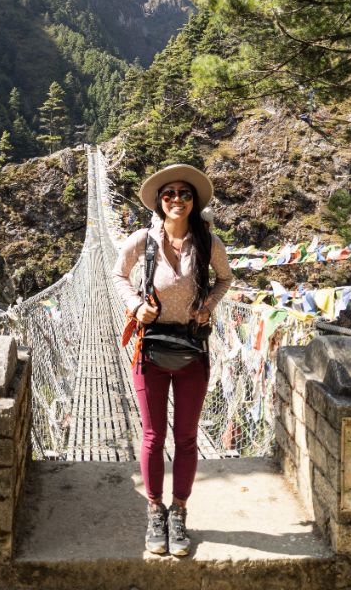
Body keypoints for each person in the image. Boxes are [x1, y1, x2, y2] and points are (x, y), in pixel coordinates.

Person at [112, 164, 232, 557]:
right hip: (150, 349)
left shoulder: (208, 242)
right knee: (152, 436)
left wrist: (208, 306)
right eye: (169, 194)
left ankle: (179, 511)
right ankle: (155, 510)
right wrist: (135, 307)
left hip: (192, 351)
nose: (177, 199)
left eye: (184, 193)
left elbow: (225, 279)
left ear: (194, 202)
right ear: (160, 203)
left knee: (186, 437)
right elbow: (118, 275)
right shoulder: (141, 240)